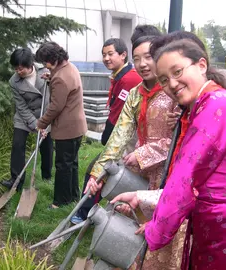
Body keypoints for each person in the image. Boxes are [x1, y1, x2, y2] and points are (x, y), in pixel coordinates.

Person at [112, 38, 226, 270]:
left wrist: (154, 228)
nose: (171, 83)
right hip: (220, 222)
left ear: (201, 65)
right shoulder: (206, 105)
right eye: (163, 80)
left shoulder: (218, 105)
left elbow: (186, 177)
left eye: (178, 71)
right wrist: (143, 199)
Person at [86, 31, 188, 269]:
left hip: (170, 173)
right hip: (140, 173)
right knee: (131, 228)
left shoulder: (175, 91)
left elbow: (182, 141)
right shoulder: (135, 93)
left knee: (161, 235)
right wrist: (98, 172)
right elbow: (119, 137)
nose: (142, 64)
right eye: (137, 58)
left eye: (149, 57)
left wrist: (143, 153)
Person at [70, 37, 142, 224]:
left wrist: (108, 139)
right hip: (122, 140)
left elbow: (119, 116)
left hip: (128, 143)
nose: (106, 58)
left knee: (97, 173)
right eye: (104, 55)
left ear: (123, 55)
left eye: (110, 54)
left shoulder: (130, 79)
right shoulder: (119, 76)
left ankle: (85, 213)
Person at [35, 42, 87, 209]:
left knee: (63, 165)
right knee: (71, 163)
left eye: (45, 62)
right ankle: (72, 195)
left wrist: (41, 123)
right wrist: (51, 79)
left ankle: (60, 201)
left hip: (67, 128)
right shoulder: (70, 68)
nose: (45, 66)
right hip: (77, 126)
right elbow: (65, 87)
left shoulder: (60, 78)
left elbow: (56, 106)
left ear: (53, 59)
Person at [1, 48, 53, 190]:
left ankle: (46, 177)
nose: (18, 72)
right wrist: (36, 125)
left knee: (47, 145)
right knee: (17, 145)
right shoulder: (14, 81)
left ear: (30, 64)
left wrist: (44, 123)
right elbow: (21, 107)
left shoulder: (45, 71)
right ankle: (16, 180)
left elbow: (54, 94)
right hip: (25, 116)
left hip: (45, 113)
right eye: (16, 69)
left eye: (21, 68)